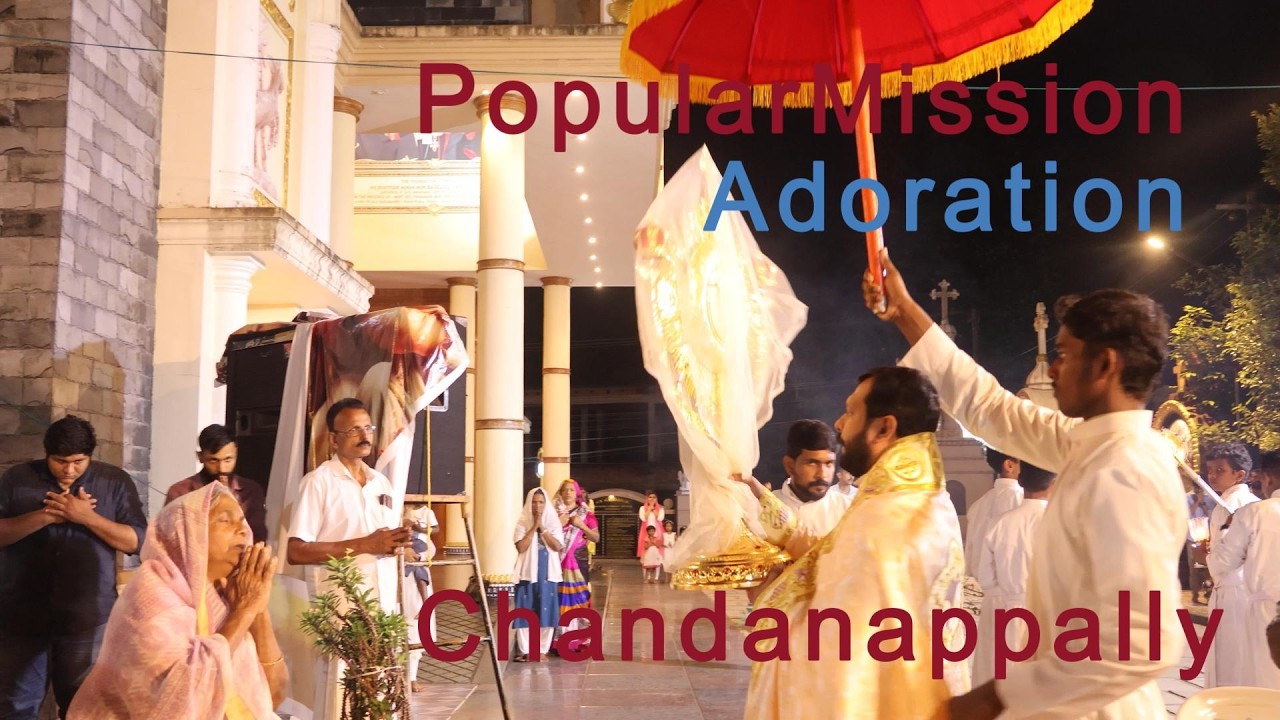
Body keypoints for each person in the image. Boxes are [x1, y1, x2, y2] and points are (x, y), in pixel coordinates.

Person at [866, 249, 1186, 720]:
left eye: (1064, 354)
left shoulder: (1125, 468)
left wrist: (991, 698)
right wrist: (905, 313)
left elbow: (1142, 642)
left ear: (1105, 366)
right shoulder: (1089, 446)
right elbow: (993, 409)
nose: (1053, 369)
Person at [743, 366, 967, 719]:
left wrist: (774, 614)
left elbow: (839, 656)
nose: (839, 423)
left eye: (850, 412)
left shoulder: (886, 516)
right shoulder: (916, 499)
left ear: (883, 428)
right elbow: (826, 551)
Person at [67, 483, 287, 718]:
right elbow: (179, 703)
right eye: (224, 520)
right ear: (188, 535)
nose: (242, 530)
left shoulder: (228, 595)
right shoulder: (149, 602)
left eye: (242, 520)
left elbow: (272, 696)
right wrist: (243, 613)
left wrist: (258, 610)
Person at [0, 416, 148, 718]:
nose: (69, 470)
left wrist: (87, 517)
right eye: (60, 461)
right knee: (15, 704)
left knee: (84, 708)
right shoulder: (18, 479)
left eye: (78, 461)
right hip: (23, 617)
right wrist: (47, 515)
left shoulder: (113, 482)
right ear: (46, 454)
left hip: (89, 619)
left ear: (90, 455)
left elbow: (138, 541)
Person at [285, 398, 411, 714]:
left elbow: (381, 542)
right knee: (340, 688)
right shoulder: (318, 482)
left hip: (381, 608)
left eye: (367, 427)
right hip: (342, 610)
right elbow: (296, 550)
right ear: (333, 438)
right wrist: (367, 544)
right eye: (353, 429)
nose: (364, 434)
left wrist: (398, 541)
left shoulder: (381, 482)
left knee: (382, 689)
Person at [972, 463, 1055, 686]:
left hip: (1009, 608)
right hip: (1049, 611)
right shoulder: (1059, 523)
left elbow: (986, 577)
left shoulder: (999, 523)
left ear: (1021, 481)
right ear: (1054, 485)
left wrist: (1009, 595)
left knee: (1006, 676)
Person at [1205, 458, 1280, 689]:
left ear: (1266, 478)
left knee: (1263, 680)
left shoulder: (1255, 512)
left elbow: (1224, 561)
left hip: (1267, 609)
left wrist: (1205, 555)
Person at [1201, 441, 1261, 687]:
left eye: (1219, 470)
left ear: (1239, 474)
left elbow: (1228, 558)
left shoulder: (1235, 505)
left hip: (1234, 590)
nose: (1212, 476)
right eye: (1210, 470)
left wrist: (1204, 557)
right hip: (1240, 587)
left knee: (1231, 658)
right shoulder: (1245, 502)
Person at [166, 424, 269, 542]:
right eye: (213, 460)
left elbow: (258, 537)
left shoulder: (251, 491)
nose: (222, 468)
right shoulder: (180, 492)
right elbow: (172, 540)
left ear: (236, 454)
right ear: (200, 457)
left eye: (228, 460)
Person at [512, 487, 563, 662]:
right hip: (527, 573)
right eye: (534, 502)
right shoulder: (522, 523)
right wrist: (534, 526)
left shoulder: (554, 523)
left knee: (546, 610)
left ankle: (542, 650)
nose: (537, 506)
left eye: (541, 502)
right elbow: (521, 547)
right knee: (525, 609)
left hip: (548, 574)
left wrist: (543, 528)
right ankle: (526, 650)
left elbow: (557, 546)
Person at [554, 479, 599, 653]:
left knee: (579, 599)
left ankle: (577, 639)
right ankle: (558, 641)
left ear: (577, 493)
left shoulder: (586, 513)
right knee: (559, 601)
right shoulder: (552, 513)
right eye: (565, 490)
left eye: (571, 490)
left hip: (578, 561)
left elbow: (596, 538)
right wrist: (560, 521)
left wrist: (581, 526)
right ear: (560, 492)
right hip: (557, 562)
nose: (568, 493)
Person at [964, 448, 1023, 576]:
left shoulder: (978, 505)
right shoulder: (1022, 500)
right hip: (1015, 588)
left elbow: (970, 552)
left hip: (982, 589)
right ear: (1009, 465)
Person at [403, 502, 440, 693]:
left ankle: (411, 678)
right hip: (400, 583)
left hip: (415, 585)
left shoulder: (421, 542)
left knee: (415, 629)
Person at [1186, 487, 1216, 604]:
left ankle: (1208, 594)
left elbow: (1210, 514)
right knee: (1194, 568)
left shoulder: (1209, 497)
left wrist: (1202, 501)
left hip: (1206, 537)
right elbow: (1188, 514)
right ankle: (1195, 596)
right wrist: (1197, 501)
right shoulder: (1187, 497)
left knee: (1207, 568)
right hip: (1192, 538)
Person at [636, 490, 664, 559]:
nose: (652, 499)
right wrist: (649, 509)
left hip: (657, 530)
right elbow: (643, 518)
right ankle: (647, 563)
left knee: (657, 546)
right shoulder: (642, 508)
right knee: (647, 546)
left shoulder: (660, 508)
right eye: (650, 497)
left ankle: (657, 563)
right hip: (646, 529)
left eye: (654, 497)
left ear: (656, 499)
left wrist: (653, 509)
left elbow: (660, 518)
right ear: (647, 499)